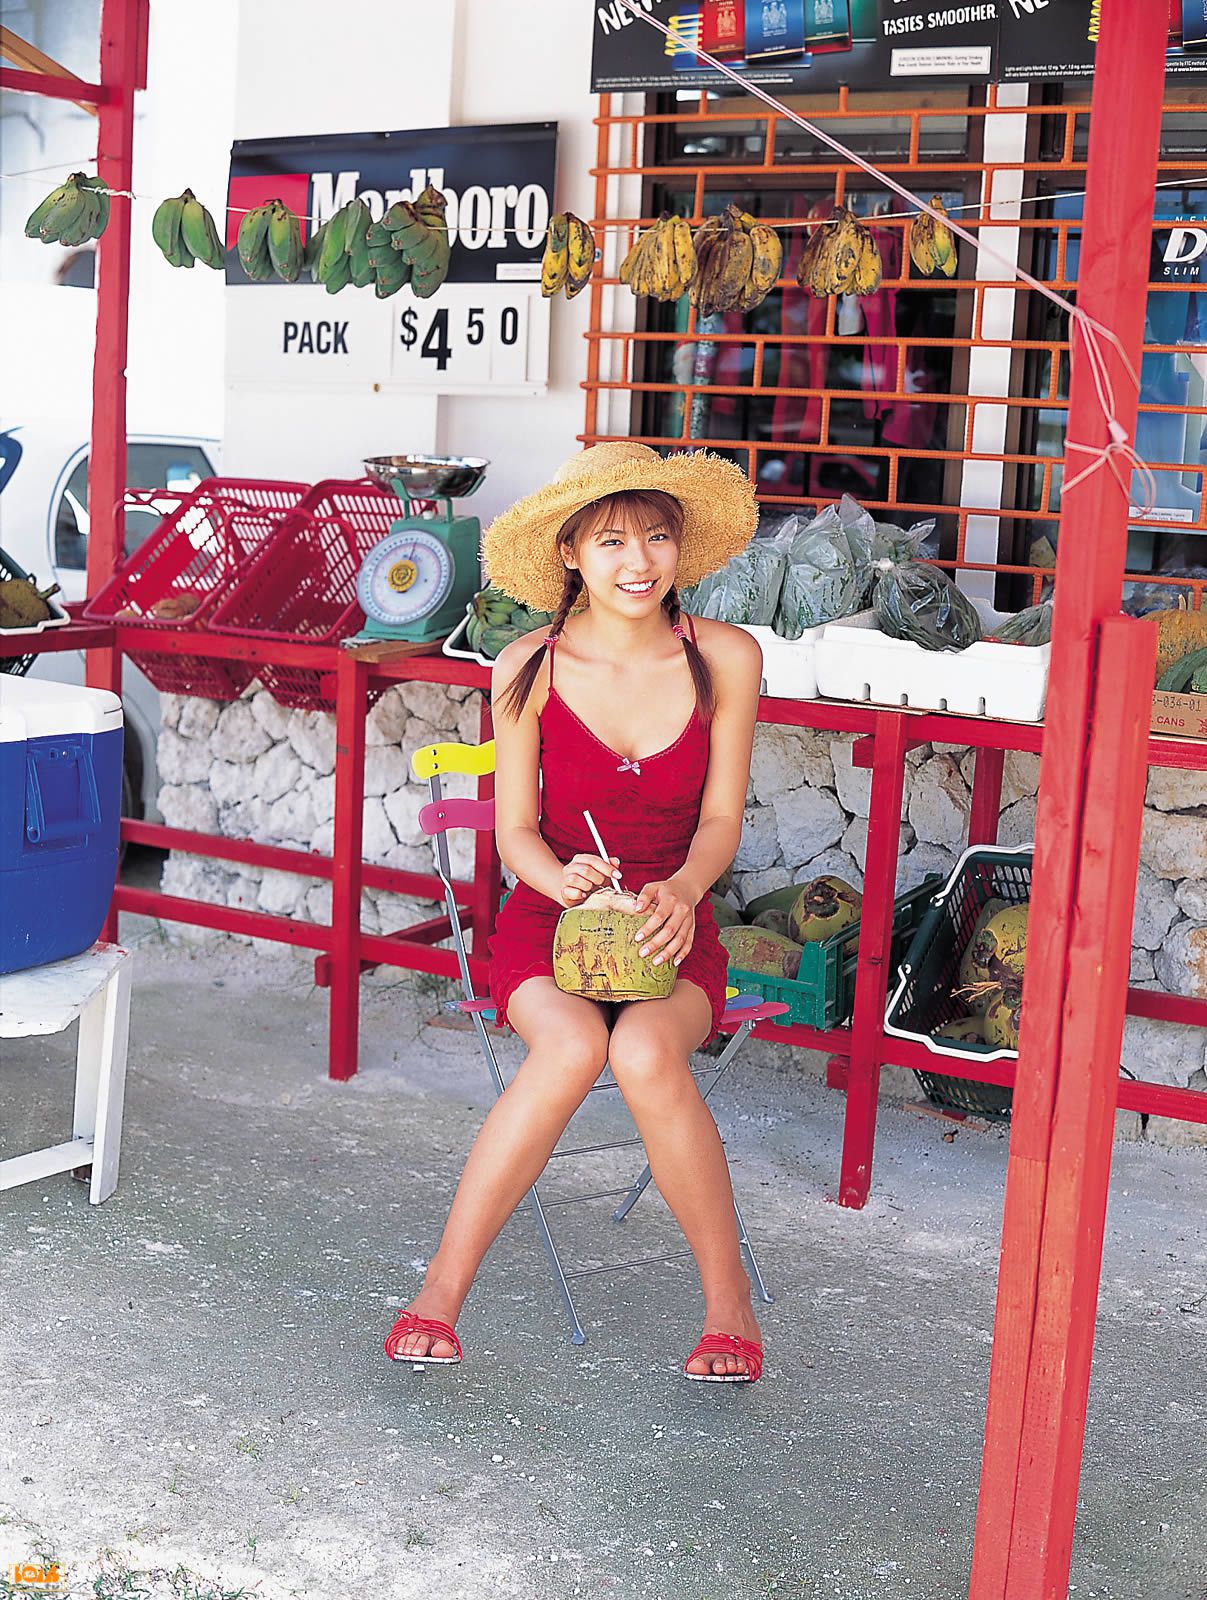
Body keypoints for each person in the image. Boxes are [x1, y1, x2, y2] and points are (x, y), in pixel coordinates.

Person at [385, 442, 766, 1382]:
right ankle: (439, 1290)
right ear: (569, 553)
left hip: (669, 925)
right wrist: (557, 878)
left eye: (656, 539)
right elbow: (514, 832)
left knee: (642, 1048)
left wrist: (680, 889)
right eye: (610, 542)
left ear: (682, 550)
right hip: (548, 925)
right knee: (571, 1047)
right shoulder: (526, 665)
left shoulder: (726, 657)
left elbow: (721, 819)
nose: (637, 563)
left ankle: (728, 1306)